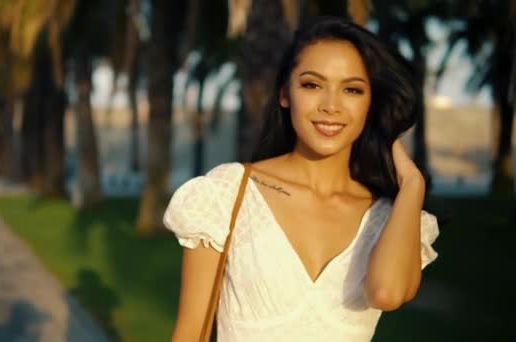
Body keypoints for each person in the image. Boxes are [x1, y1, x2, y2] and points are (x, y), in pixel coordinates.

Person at [163, 16, 440, 341]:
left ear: (370, 103)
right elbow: (190, 332)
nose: (331, 106)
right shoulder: (227, 194)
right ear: (284, 94)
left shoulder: (392, 218)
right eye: (312, 85)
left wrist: (412, 185)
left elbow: (387, 293)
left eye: (351, 89)